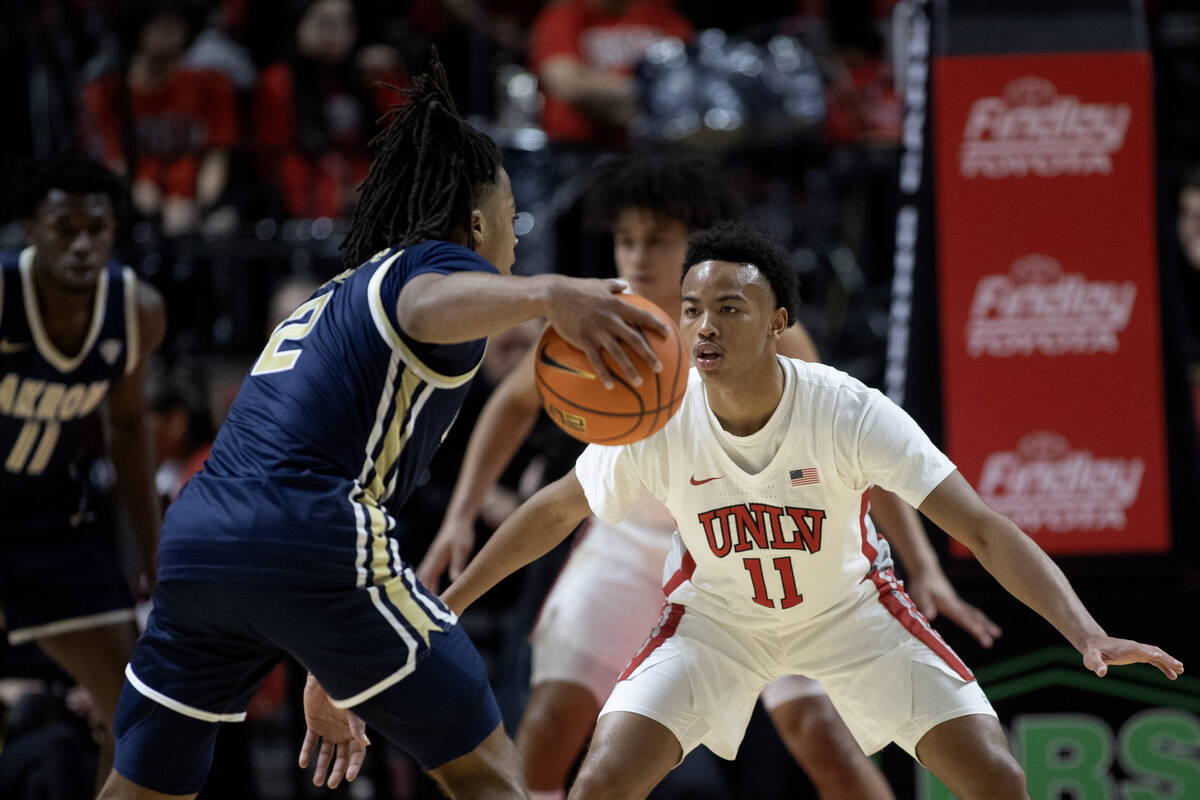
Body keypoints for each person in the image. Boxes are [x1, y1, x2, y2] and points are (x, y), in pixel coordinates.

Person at [443, 220, 1185, 800]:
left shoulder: (846, 410)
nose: (704, 326)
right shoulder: (662, 417)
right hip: (716, 627)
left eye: (729, 310)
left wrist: (1085, 631)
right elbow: (554, 509)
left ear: (777, 321)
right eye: (693, 308)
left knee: (997, 779)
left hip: (852, 618)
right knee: (601, 782)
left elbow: (985, 530)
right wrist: (450, 601)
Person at [98, 54, 670, 800]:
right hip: (311, 538)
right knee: (485, 766)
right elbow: (429, 303)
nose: (518, 236)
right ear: (474, 220)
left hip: (200, 546)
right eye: (508, 215)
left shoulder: (341, 291)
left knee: (140, 788)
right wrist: (550, 293)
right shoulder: (424, 269)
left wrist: (332, 658)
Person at [420, 151, 1000, 800]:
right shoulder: (602, 318)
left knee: (819, 734)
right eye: (626, 240)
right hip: (630, 543)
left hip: (751, 546)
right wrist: (461, 512)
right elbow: (512, 404)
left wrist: (918, 558)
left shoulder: (763, 330)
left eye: (657, 241)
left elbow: (862, 447)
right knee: (551, 725)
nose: (637, 257)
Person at [0, 155, 166, 788]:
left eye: (96, 229)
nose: (81, 244)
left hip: (48, 518)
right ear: (29, 228)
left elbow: (128, 432)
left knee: (140, 711)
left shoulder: (136, 310)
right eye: (63, 227)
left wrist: (155, 553)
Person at [79, 0, 237, 238]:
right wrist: (140, 197)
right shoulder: (108, 91)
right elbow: (112, 161)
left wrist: (201, 204)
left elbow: (216, 157)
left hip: (194, 205)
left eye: (176, 21)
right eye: (157, 21)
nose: (168, 29)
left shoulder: (211, 84)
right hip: (134, 203)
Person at [253, 0, 407, 220]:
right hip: (309, 208)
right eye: (325, 22)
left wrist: (390, 77)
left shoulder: (365, 76)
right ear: (299, 23)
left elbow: (405, 138)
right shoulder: (278, 82)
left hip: (371, 201)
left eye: (347, 23)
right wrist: (333, 198)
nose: (337, 33)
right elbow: (277, 162)